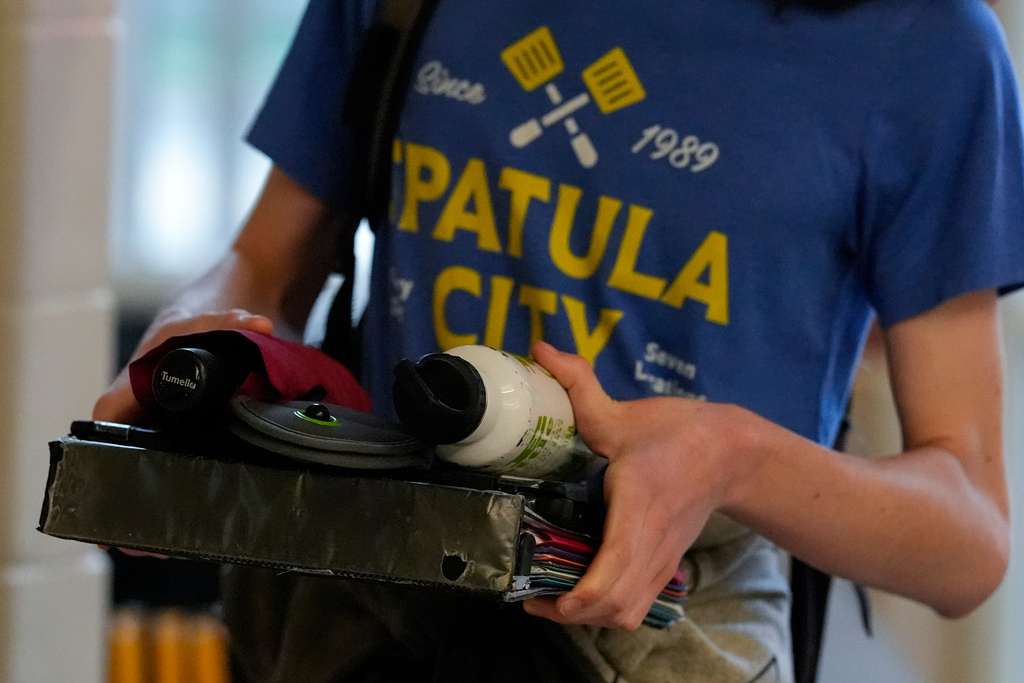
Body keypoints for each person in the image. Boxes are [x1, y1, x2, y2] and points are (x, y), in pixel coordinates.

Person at [94, 0, 1024, 680]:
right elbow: (265, 264)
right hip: (357, 624)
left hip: (667, 643)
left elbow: (969, 538)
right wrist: (195, 342)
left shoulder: (924, 49)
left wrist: (733, 457)